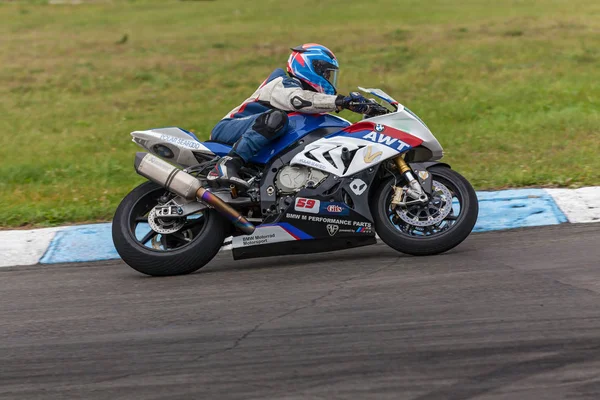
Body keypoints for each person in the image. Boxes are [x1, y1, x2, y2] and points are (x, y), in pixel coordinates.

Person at [207, 43, 371, 188]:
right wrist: (342, 102)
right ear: (311, 68)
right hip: (228, 129)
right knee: (277, 118)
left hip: (254, 137)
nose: (329, 79)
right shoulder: (282, 84)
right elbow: (300, 100)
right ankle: (228, 164)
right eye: (326, 74)